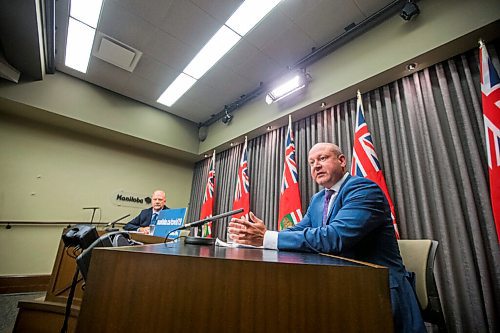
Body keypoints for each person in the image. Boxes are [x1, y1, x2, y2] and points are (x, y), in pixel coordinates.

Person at [229, 142, 426, 333]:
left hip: (378, 290)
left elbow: (335, 237)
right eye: (311, 162)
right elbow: (299, 229)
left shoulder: (364, 190)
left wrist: (266, 237)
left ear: (342, 161)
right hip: (337, 284)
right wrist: (261, 238)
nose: (316, 165)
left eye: (322, 158)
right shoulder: (318, 199)